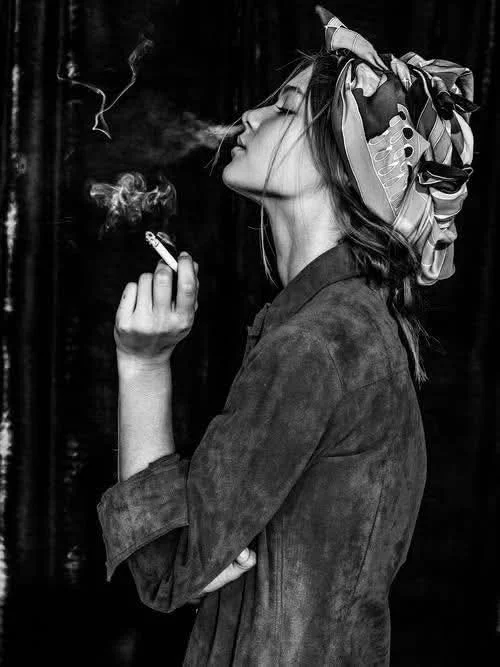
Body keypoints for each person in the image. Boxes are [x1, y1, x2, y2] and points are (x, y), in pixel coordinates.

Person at [97, 7, 476, 665]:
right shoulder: (349, 327)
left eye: (285, 109)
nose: (248, 117)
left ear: (342, 160)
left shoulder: (315, 345)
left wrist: (143, 364)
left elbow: (165, 567)